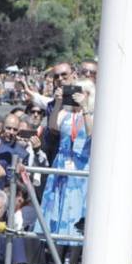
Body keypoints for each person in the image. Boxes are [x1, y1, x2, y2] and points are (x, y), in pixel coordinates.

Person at [40, 79, 93, 238]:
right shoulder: (66, 113)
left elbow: (92, 134)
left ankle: (73, 256)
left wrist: (84, 108)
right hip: (62, 163)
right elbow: (53, 127)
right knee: (58, 207)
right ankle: (56, 252)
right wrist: (58, 103)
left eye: (81, 92)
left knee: (77, 209)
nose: (76, 95)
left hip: (81, 166)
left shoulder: (93, 114)